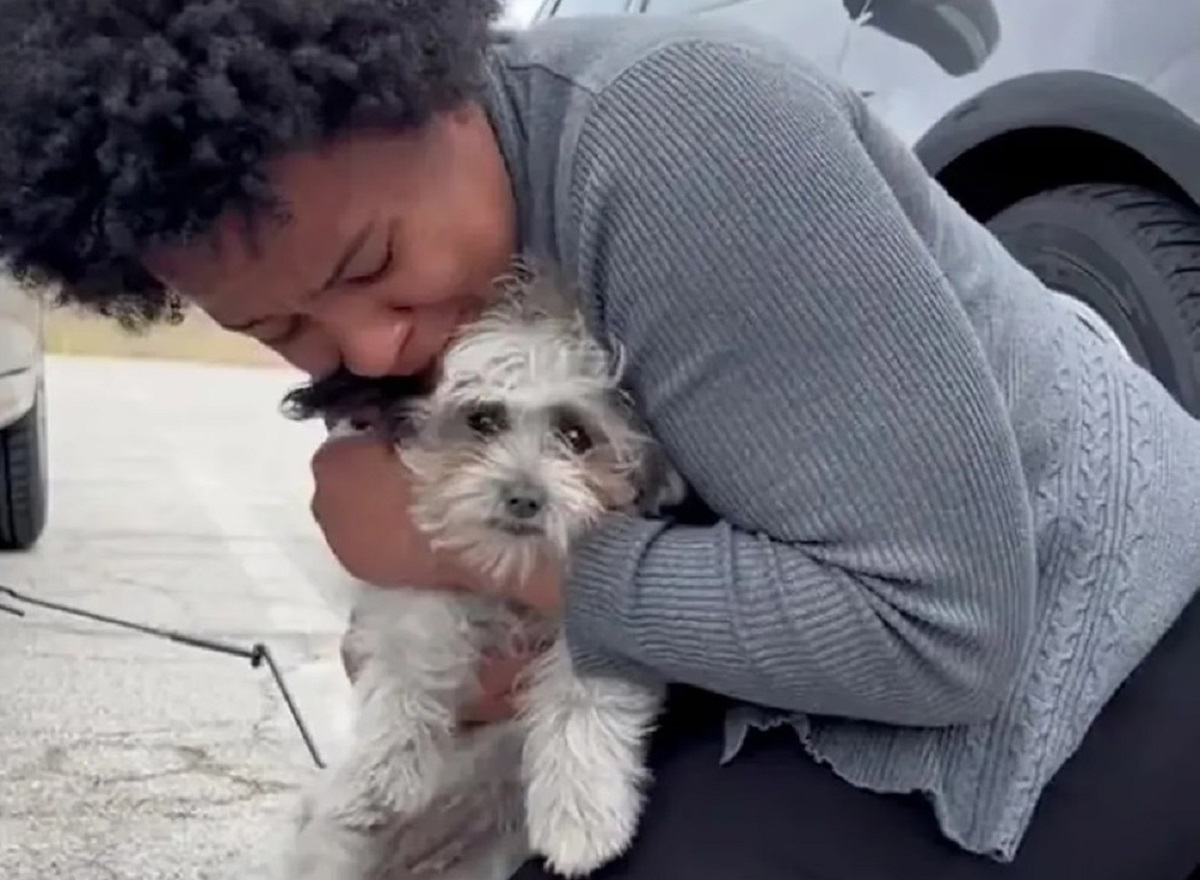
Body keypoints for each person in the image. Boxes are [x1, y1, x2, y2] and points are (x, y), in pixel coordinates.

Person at [2, 1, 1200, 878]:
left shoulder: (680, 133)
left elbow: (948, 636)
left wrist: (472, 554)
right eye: (278, 328)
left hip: (1103, 650)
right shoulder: (435, 284)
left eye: (369, 263)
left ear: (435, 82)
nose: (366, 350)